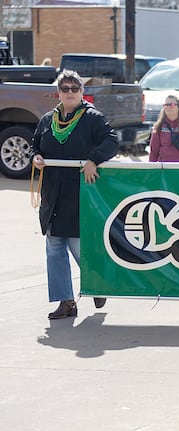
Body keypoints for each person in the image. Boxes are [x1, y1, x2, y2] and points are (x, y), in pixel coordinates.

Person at [31, 70, 119, 319]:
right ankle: (66, 301)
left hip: (80, 191)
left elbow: (111, 142)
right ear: (58, 92)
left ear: (82, 92)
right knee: (54, 247)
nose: (70, 93)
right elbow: (35, 143)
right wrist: (36, 157)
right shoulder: (48, 119)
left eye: (74, 88)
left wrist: (93, 160)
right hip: (52, 192)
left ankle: (98, 285)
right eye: (65, 88)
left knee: (79, 246)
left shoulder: (92, 118)